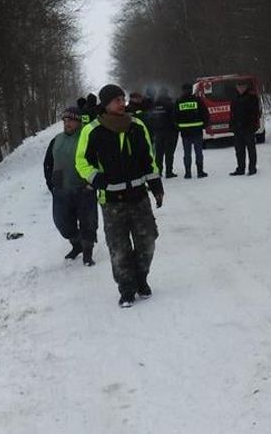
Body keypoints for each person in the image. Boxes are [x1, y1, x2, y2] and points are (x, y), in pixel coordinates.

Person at [75, 84, 164, 308]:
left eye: (122, 99)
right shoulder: (92, 130)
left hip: (139, 197)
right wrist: (97, 179)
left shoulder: (137, 125)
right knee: (119, 249)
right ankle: (126, 289)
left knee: (148, 242)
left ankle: (141, 278)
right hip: (112, 202)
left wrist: (156, 186)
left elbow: (148, 158)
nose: (122, 103)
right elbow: (82, 161)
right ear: (105, 104)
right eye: (116, 100)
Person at [43, 106, 97, 266]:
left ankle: (88, 253)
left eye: (71, 120)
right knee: (62, 223)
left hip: (84, 188)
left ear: (79, 122)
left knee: (88, 223)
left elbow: (97, 161)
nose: (67, 123)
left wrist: (92, 183)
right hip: (61, 189)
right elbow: (48, 163)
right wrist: (51, 184)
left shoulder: (87, 138)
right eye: (65, 120)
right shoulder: (56, 140)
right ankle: (77, 244)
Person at [174, 82, 209, 179]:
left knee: (187, 154)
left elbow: (175, 117)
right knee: (198, 152)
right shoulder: (197, 100)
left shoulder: (179, 101)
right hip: (197, 131)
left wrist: (179, 128)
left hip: (185, 133)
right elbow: (205, 114)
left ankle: (188, 173)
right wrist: (204, 125)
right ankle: (200, 171)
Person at [229, 80, 260, 175]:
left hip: (248, 128)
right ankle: (240, 168)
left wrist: (254, 125)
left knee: (251, 149)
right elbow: (232, 113)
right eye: (239, 86)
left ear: (246, 87)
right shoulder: (234, 98)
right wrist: (231, 125)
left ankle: (252, 168)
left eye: (243, 86)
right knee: (239, 150)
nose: (241, 88)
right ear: (236, 87)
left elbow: (256, 113)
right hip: (237, 129)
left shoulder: (252, 97)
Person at [150, 87, 179, 177]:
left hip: (158, 133)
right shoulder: (170, 104)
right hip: (169, 132)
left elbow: (151, 118)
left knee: (159, 154)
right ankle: (169, 172)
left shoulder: (154, 105)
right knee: (169, 153)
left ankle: (159, 171)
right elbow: (175, 117)